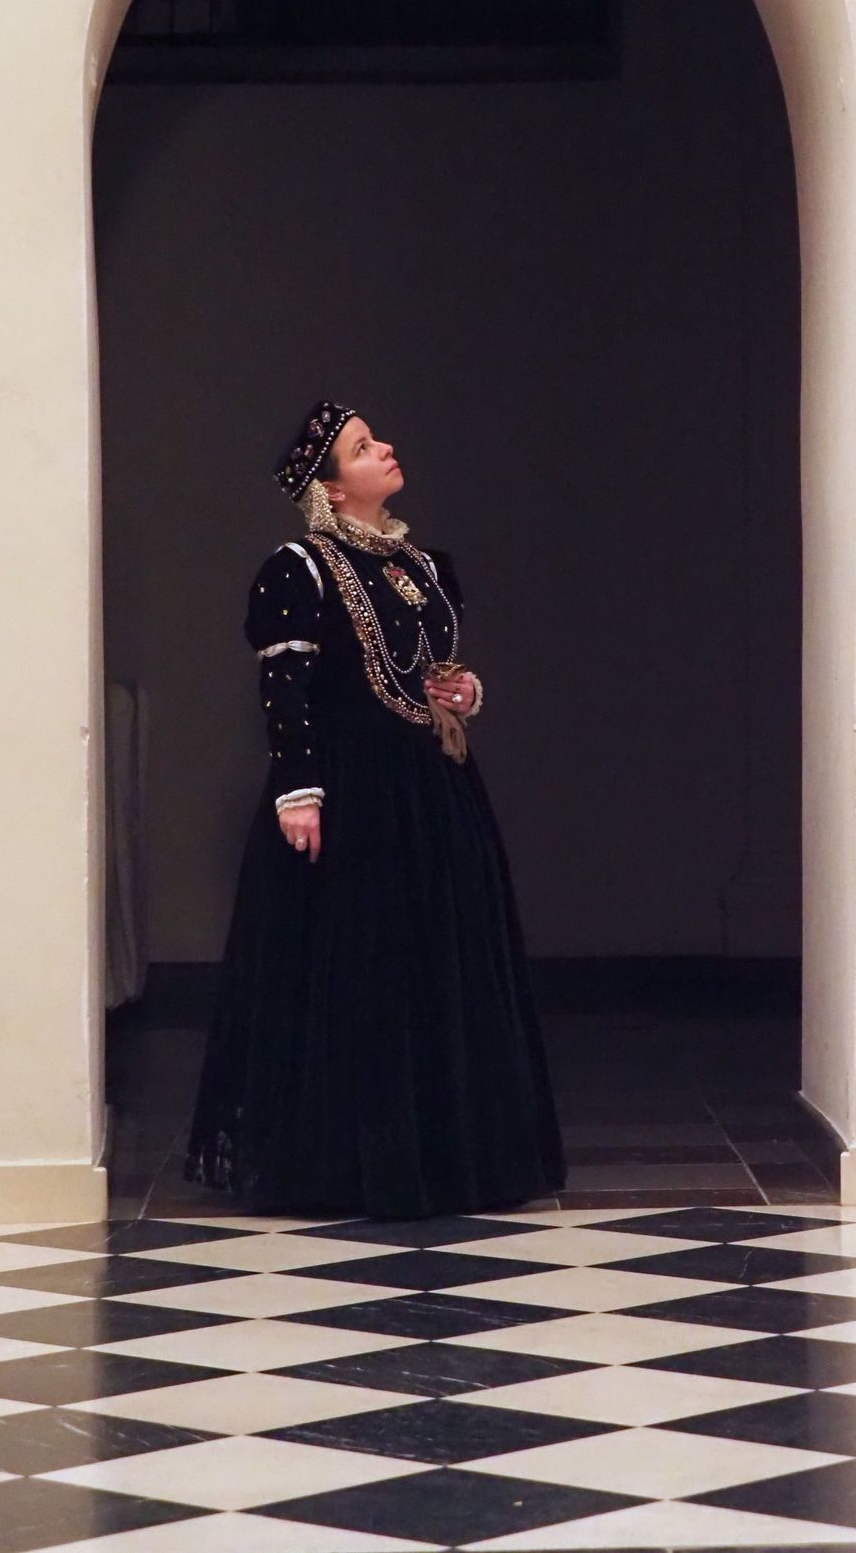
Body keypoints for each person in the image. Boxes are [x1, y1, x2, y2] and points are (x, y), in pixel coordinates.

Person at [182, 398, 567, 1217]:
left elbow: (421, 667)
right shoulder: (299, 567)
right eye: (362, 448)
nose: (385, 448)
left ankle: (445, 1156)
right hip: (353, 788)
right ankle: (349, 1163)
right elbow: (284, 687)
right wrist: (299, 788)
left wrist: (461, 692)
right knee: (363, 964)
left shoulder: (420, 564)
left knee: (436, 957)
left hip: (431, 785)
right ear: (332, 487)